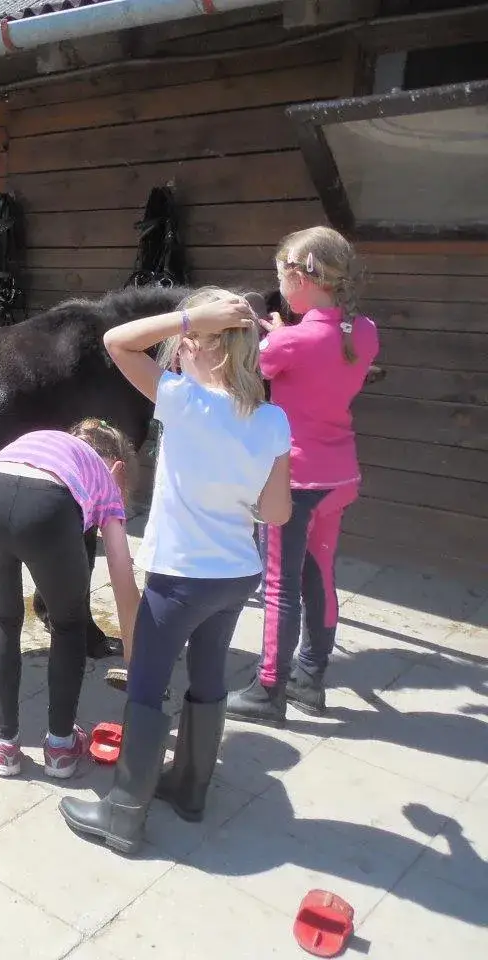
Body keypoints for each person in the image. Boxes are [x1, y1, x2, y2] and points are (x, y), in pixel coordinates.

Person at [60, 288, 292, 855]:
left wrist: (189, 314)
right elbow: (278, 512)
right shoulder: (272, 418)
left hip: (182, 575)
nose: (177, 346)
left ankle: (123, 814)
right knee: (208, 675)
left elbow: (115, 340)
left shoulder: (186, 401)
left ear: (209, 344)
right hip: (237, 574)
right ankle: (189, 788)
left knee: (146, 684)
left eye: (187, 339)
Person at [227, 228, 380, 726]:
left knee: (278, 584)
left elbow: (262, 364)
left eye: (281, 276)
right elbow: (316, 350)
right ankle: (311, 679)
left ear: (298, 274)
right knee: (321, 573)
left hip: (294, 480)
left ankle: (268, 689)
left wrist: (272, 333)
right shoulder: (365, 331)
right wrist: (284, 332)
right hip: (340, 476)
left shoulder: (290, 342)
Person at [0, 419, 142, 780]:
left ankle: (2, 743)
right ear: (118, 468)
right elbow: (123, 580)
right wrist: (138, 661)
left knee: (3, 616)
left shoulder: (41, 440)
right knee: (70, 623)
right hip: (49, 507)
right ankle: (61, 747)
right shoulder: (106, 480)